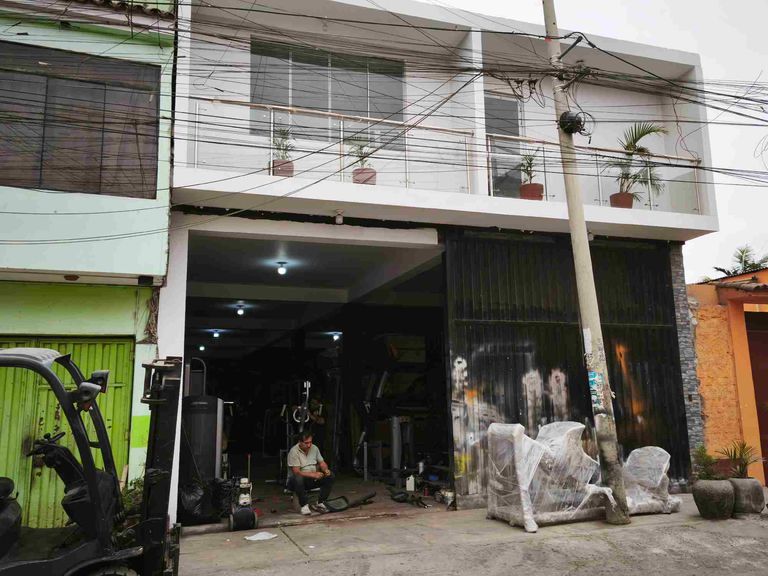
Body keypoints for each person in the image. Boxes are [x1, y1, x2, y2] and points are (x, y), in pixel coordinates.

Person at [286, 431, 334, 515]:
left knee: (330, 476)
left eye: (310, 442)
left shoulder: (314, 448)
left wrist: (326, 470)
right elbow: (296, 472)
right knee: (298, 478)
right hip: (295, 482)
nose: (309, 445)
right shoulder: (294, 451)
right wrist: (313, 474)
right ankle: (304, 505)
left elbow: (322, 463)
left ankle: (321, 502)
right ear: (300, 442)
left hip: (311, 479)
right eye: (306, 443)